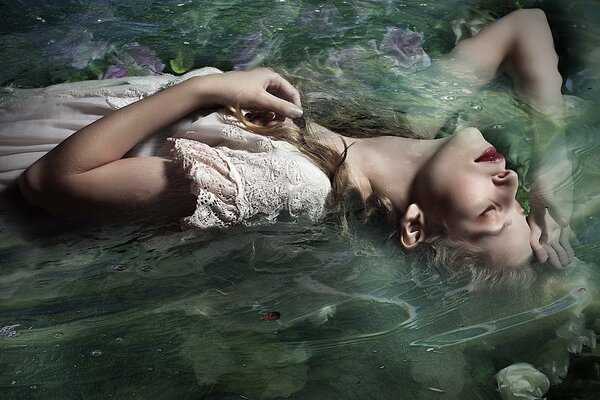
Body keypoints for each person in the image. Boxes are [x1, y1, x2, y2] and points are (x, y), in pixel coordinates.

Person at [1, 9, 573, 278]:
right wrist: (552, 176)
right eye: (517, 202)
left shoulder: (294, 187)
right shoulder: (401, 124)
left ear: (415, 226)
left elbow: (50, 185)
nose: (510, 181)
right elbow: (527, 26)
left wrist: (206, 89)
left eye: (491, 212)